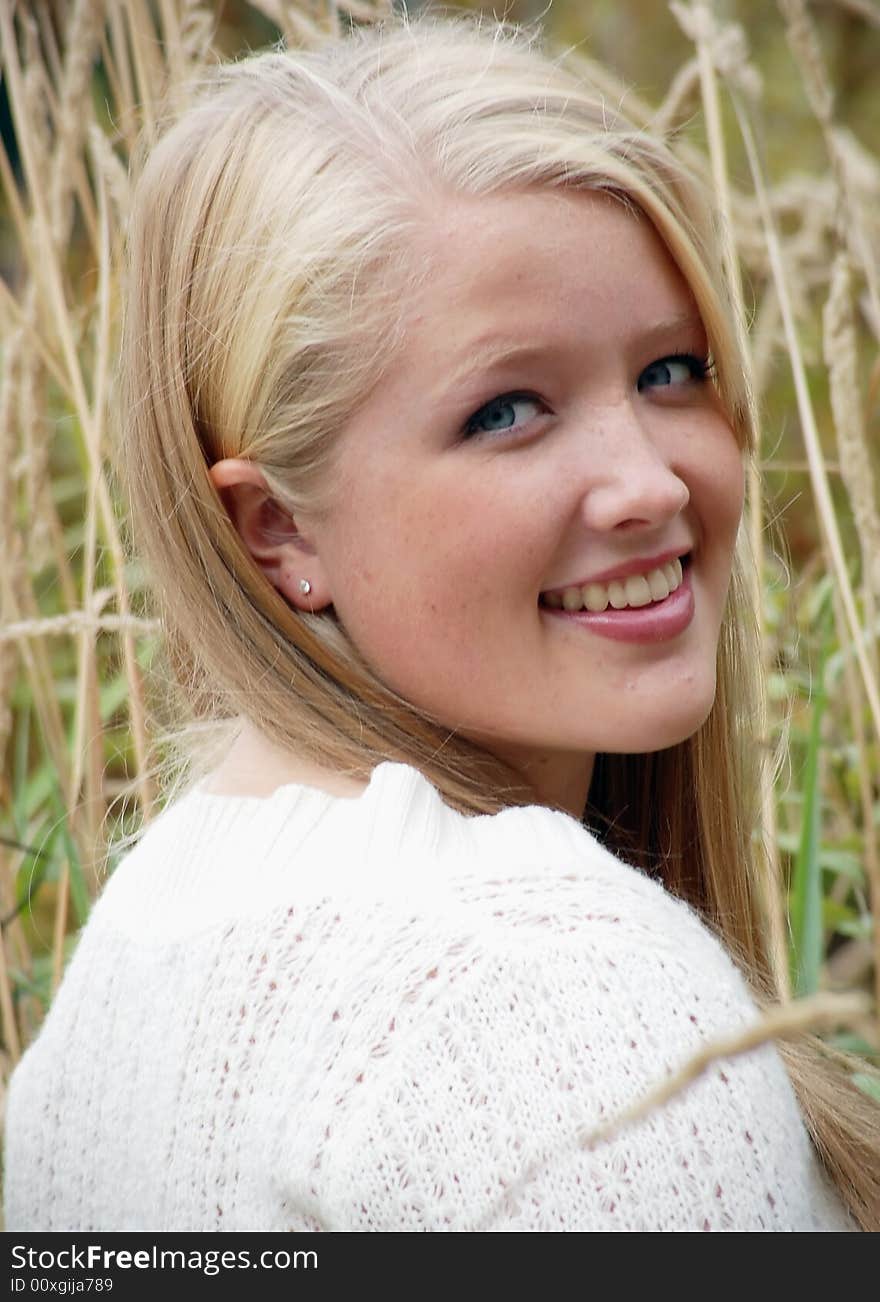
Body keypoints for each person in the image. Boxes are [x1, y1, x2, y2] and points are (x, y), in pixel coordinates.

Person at [3, 8, 877, 1232]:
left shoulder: (147, 937)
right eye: (508, 410)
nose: (650, 484)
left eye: (669, 371)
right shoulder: (544, 987)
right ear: (280, 534)